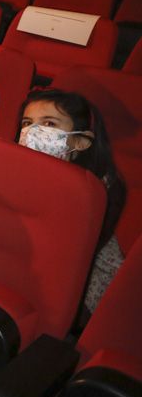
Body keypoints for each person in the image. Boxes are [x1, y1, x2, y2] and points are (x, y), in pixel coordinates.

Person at [17, 89, 125, 314]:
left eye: (49, 123)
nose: (33, 131)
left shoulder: (92, 190)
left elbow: (55, 256)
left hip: (83, 294)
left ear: (81, 141)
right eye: (27, 123)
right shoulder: (19, 168)